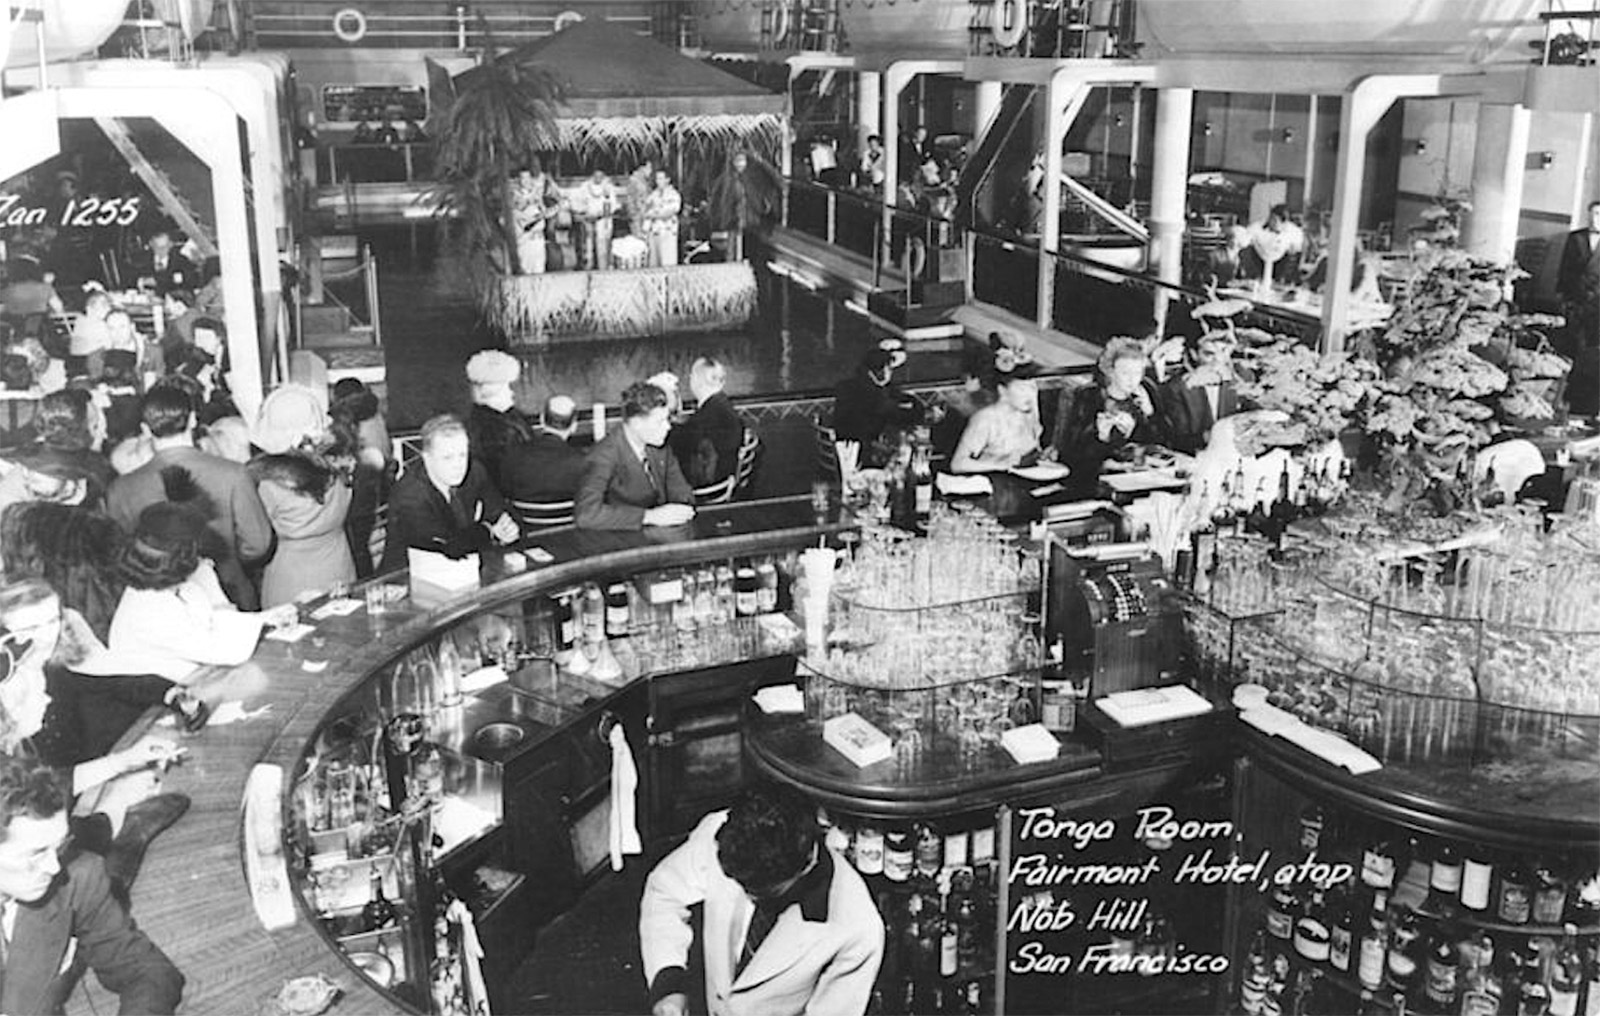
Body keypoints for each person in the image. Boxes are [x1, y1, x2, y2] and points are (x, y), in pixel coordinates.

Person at [639, 781, 884, 1016]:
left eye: (760, 892)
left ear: (807, 864)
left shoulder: (859, 929)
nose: (746, 895)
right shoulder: (726, 832)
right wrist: (668, 984)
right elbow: (664, 892)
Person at [0, 752, 186, 1015]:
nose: (54, 867)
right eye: (36, 853)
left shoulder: (77, 876)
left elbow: (149, 971)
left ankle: (127, 832)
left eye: (59, 846)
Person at [108, 475, 299, 681]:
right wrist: (259, 625)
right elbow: (222, 651)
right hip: (159, 692)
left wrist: (265, 618)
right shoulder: (149, 609)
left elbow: (213, 618)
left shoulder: (176, 583)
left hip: (197, 674)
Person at [106, 385, 273, 610]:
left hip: (162, 605)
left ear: (145, 430)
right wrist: (227, 559)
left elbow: (123, 554)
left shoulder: (121, 488)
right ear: (193, 420)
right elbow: (258, 544)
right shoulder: (234, 473)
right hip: (230, 593)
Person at [379, 414, 519, 574]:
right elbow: (450, 545)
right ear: (427, 458)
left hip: (464, 568)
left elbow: (499, 510)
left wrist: (509, 528)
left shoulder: (474, 471)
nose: (458, 465)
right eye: (448, 458)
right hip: (408, 577)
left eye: (462, 455)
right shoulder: (410, 495)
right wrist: (490, 531)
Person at [574, 381, 694, 530]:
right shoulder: (603, 456)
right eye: (660, 421)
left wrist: (681, 508)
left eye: (667, 419)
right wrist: (649, 516)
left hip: (659, 536)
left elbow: (681, 490)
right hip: (619, 539)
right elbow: (586, 515)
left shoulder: (660, 446)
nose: (668, 427)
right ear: (636, 423)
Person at [251, 453, 355, 609]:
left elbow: (254, 539)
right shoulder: (336, 481)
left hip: (291, 575)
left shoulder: (270, 488)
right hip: (339, 566)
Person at [1051, 337, 1157, 489]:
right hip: (1094, 481)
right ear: (1111, 371)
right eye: (1125, 373)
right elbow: (1072, 456)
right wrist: (1101, 436)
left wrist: (1150, 414)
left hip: (1139, 479)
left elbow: (1160, 445)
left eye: (1137, 373)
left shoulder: (1145, 394)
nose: (1132, 380)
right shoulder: (1089, 398)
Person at [329, 379, 393, 579]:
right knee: (362, 547)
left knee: (356, 546)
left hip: (362, 488)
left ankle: (362, 583)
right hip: (380, 487)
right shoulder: (374, 412)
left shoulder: (348, 419)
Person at [830, 346, 922, 468]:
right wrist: (919, 409)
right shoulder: (873, 396)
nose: (891, 373)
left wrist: (908, 400)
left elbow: (894, 394)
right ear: (879, 372)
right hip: (861, 457)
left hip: (845, 447)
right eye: (889, 369)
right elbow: (901, 416)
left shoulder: (851, 385)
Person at [1154, 329, 1243, 453]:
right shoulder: (1176, 388)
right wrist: (1213, 436)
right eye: (1209, 354)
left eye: (1223, 351)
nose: (1218, 360)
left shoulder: (1239, 381)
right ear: (1194, 354)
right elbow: (1177, 440)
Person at [499, 394, 588, 506]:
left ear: (542, 419)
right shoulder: (584, 464)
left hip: (525, 522)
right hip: (569, 523)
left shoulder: (512, 457)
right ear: (574, 426)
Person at [951, 369, 1043, 473]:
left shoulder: (1028, 410)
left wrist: (1042, 454)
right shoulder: (986, 418)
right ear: (1002, 391)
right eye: (1022, 389)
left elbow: (1033, 446)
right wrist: (1000, 465)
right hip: (992, 481)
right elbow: (957, 464)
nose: (1030, 395)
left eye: (1033, 388)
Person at [670, 356, 743, 488]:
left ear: (698, 380)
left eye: (691, 376)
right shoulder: (720, 404)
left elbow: (684, 441)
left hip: (711, 483)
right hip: (723, 475)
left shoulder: (711, 412)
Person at [463, 350, 532, 486]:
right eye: (507, 387)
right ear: (491, 391)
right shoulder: (497, 431)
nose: (512, 393)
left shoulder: (475, 421)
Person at [1556, 199, 1600, 416]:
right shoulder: (1576, 238)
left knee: (1592, 353)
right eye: (1592, 214)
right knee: (1571, 347)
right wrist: (1564, 298)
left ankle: (1587, 404)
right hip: (1577, 302)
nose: (1595, 218)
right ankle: (1565, 397)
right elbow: (1565, 270)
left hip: (1598, 306)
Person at [512, 163, 557, 276]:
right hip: (524, 237)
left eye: (527, 178)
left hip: (537, 237)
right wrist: (529, 204)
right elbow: (515, 211)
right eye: (522, 178)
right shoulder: (515, 194)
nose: (525, 181)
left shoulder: (537, 194)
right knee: (525, 268)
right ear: (519, 180)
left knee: (539, 268)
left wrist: (550, 211)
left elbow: (543, 211)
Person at [576, 169, 618, 271]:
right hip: (588, 221)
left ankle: (603, 269)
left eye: (601, 175)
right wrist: (585, 212)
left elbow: (613, 205)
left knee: (602, 249)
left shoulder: (608, 187)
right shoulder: (585, 187)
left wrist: (602, 213)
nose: (598, 177)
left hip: (603, 221)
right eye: (596, 174)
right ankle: (588, 268)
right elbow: (577, 203)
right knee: (588, 248)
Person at [132, 230, 195, 297]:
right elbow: (132, 279)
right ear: (151, 244)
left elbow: (187, 280)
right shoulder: (141, 260)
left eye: (164, 247)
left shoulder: (181, 261)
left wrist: (157, 281)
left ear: (171, 244)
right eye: (157, 247)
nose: (161, 250)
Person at [642, 170, 683, 268]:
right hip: (654, 231)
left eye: (660, 178)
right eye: (657, 179)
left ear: (667, 180)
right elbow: (645, 208)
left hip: (667, 232)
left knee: (667, 261)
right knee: (654, 263)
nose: (658, 181)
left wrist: (655, 214)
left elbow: (671, 211)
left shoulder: (673, 195)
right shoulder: (653, 195)